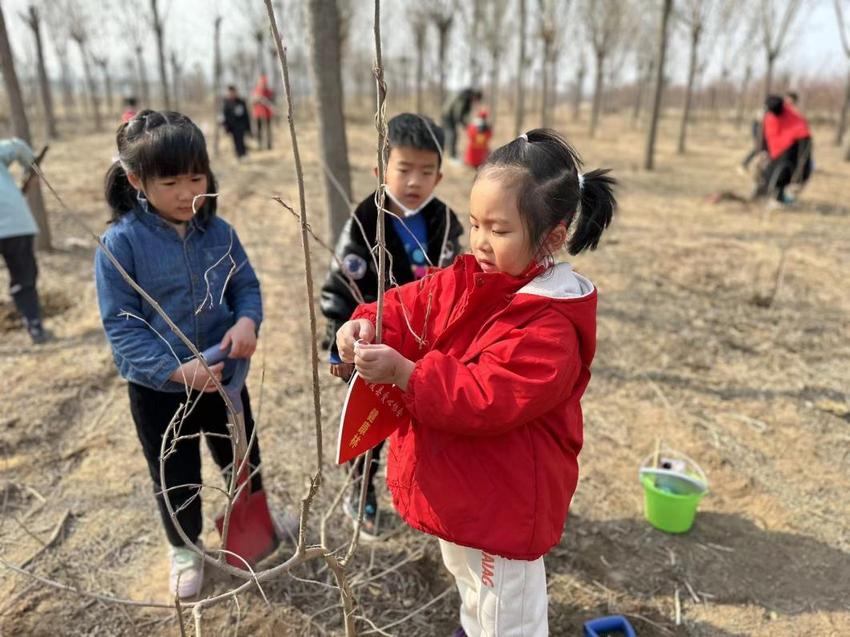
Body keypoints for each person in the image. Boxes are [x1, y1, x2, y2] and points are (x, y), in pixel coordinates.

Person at [336, 129, 616, 637]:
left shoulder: (551, 327)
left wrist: (406, 373)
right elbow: (414, 304)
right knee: (472, 590)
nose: (480, 241)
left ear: (552, 236)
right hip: (467, 492)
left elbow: (485, 396)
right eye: (474, 224)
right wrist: (368, 323)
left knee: (506, 614)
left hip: (503, 505)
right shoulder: (475, 278)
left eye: (499, 230)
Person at [95, 110, 272, 599]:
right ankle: (184, 545)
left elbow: (246, 286)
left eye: (196, 177)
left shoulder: (220, 233)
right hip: (160, 390)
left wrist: (245, 321)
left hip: (224, 377)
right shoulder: (120, 245)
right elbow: (122, 327)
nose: (185, 192)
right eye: (169, 181)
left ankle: (249, 518)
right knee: (175, 472)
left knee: (241, 453)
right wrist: (175, 369)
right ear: (136, 180)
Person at [320, 113, 464, 539]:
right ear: (382, 169)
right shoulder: (366, 220)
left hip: (426, 353)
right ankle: (360, 493)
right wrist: (336, 344)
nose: (414, 181)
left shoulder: (445, 223)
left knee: (426, 429)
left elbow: (458, 284)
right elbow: (339, 286)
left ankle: (423, 495)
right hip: (375, 350)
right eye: (404, 169)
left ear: (439, 176)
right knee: (370, 432)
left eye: (426, 172)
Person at [0, 138, 49, 344]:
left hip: (15, 223)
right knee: (24, 277)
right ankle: (35, 326)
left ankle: (35, 327)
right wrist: (32, 166)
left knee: (23, 276)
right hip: (16, 223)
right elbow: (17, 146)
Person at [759, 94, 813, 204]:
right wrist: (764, 150)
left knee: (782, 175)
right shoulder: (768, 117)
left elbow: (803, 136)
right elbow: (765, 135)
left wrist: (801, 168)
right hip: (774, 151)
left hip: (791, 149)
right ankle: (766, 194)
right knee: (765, 171)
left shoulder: (793, 117)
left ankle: (779, 197)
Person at [441, 88, 483, 162]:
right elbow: (458, 114)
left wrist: (467, 124)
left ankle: (449, 151)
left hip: (451, 115)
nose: (475, 102)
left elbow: (465, 114)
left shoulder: (469, 99)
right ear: (475, 96)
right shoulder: (464, 97)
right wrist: (465, 125)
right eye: (476, 100)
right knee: (452, 134)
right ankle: (452, 156)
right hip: (447, 115)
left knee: (451, 134)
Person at [222, 85, 251, 159]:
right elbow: (224, 116)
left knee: (241, 140)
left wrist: (248, 127)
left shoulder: (241, 102)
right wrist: (225, 126)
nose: (232, 94)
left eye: (233, 92)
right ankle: (238, 155)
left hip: (241, 126)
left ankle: (243, 154)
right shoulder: (226, 103)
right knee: (235, 141)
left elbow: (246, 115)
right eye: (230, 93)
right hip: (232, 126)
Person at [251, 75, 275, 150]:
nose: (263, 84)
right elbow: (253, 102)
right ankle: (259, 144)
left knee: (268, 129)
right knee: (259, 129)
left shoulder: (269, 91)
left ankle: (269, 144)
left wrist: (267, 101)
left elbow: (272, 101)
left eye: (264, 83)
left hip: (267, 113)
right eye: (262, 83)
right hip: (258, 113)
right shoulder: (255, 91)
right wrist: (258, 99)